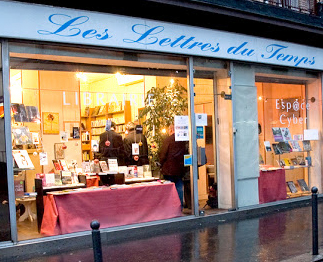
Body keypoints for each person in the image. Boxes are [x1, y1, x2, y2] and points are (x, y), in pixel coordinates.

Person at [159, 124, 188, 208]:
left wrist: (161, 163)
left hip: (169, 169)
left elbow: (163, 154)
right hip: (179, 168)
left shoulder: (168, 140)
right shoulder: (182, 140)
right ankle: (180, 205)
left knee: (169, 188)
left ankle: (171, 207)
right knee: (179, 187)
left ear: (171, 130)